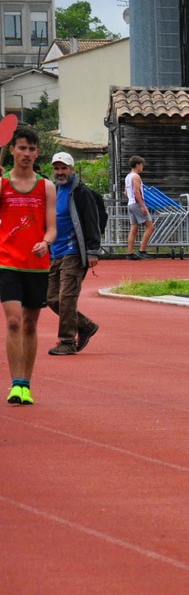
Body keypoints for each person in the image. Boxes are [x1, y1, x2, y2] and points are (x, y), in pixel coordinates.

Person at [1, 125, 57, 405]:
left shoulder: (46, 186)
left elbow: (52, 228)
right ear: (12, 150)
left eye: (31, 149)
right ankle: (15, 384)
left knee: (30, 325)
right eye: (22, 148)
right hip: (7, 262)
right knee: (14, 321)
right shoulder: (2, 184)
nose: (27, 153)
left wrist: (45, 243)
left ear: (37, 153)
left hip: (36, 264)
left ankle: (26, 384)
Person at [45, 152, 102, 357]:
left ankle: (67, 341)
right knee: (51, 298)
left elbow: (91, 220)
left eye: (64, 168)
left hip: (74, 252)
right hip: (56, 252)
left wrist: (93, 250)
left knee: (66, 298)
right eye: (57, 168)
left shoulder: (81, 192)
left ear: (72, 169)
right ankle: (85, 326)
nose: (60, 172)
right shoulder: (53, 190)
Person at [124, 155, 154, 259]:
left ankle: (130, 253)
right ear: (137, 165)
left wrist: (131, 199)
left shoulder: (128, 177)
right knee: (150, 227)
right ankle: (142, 250)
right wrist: (142, 205)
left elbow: (126, 192)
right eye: (141, 165)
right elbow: (137, 191)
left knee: (134, 228)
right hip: (137, 203)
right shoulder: (136, 176)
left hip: (130, 203)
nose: (142, 167)